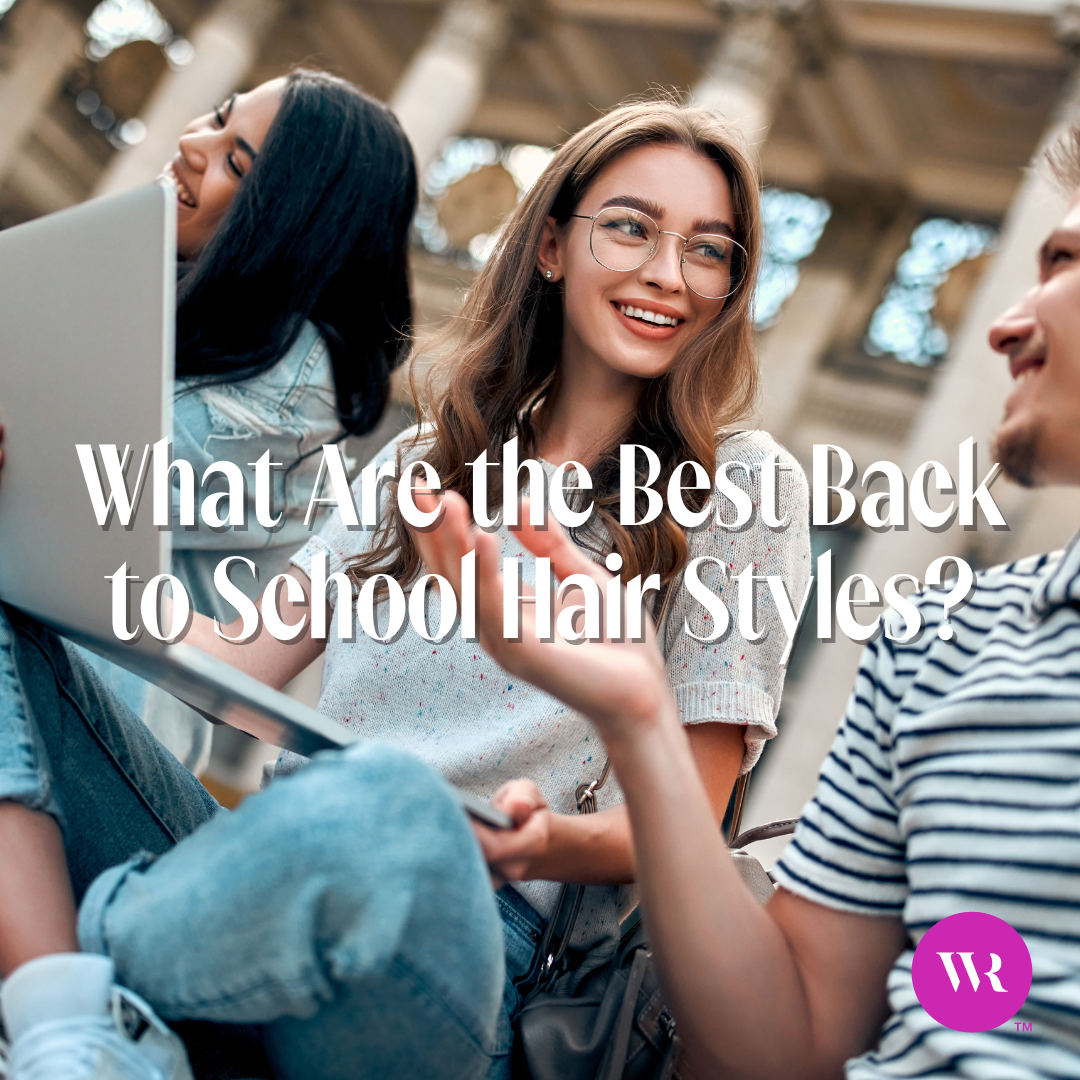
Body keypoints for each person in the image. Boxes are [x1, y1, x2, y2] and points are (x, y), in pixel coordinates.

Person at [0, 98, 808, 1078]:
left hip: (472, 947)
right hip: (261, 862)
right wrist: (31, 504)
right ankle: (74, 1019)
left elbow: (675, 823)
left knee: (390, 800)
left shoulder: (742, 486)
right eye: (632, 228)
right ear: (550, 246)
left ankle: (74, 974)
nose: (667, 276)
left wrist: (541, 844)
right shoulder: (426, 462)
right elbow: (231, 663)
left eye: (710, 251)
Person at [413, 128, 1080, 1078]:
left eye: (1063, 266)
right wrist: (642, 720)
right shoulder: (938, 644)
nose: (1003, 327)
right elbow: (789, 1048)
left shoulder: (744, 488)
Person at [81, 67, 417, 772]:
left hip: (102, 715)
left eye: (236, 159)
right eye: (214, 117)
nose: (191, 143)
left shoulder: (292, 382)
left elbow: (80, 493)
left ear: (296, 218)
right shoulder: (178, 298)